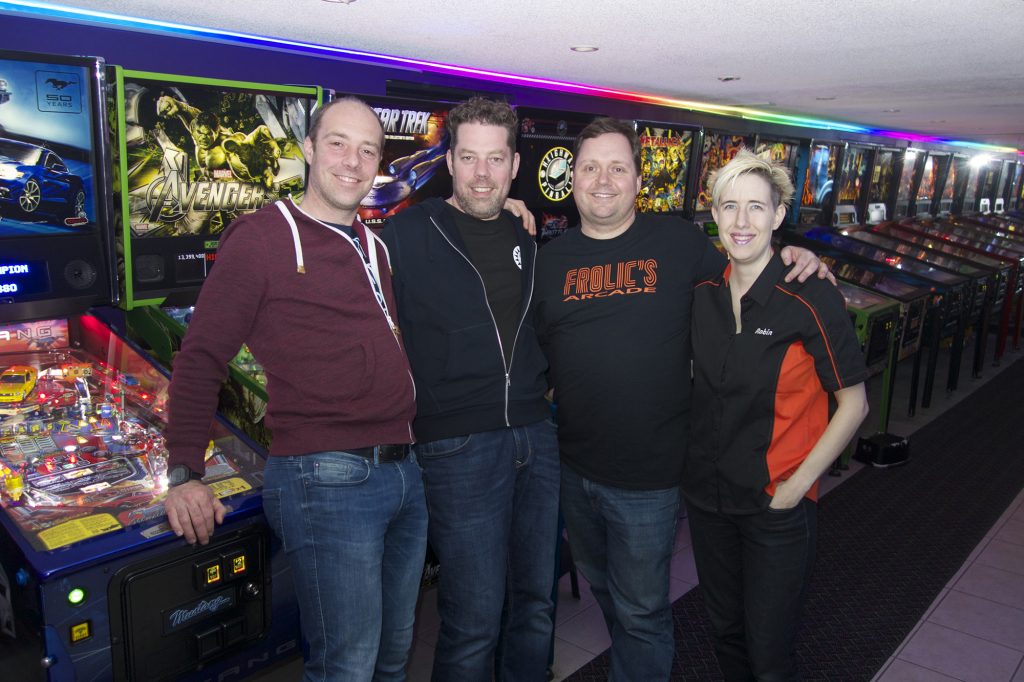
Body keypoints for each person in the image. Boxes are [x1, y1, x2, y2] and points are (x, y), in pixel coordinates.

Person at [533, 118, 830, 681]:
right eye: (590, 167)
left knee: (643, 611)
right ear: (572, 178)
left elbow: (752, 266)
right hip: (573, 468)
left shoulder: (678, 242)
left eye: (617, 167)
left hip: (652, 478)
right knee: (606, 593)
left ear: (638, 179)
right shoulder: (550, 262)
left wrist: (805, 261)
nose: (603, 180)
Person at [162, 97, 427, 682]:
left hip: (404, 472)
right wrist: (184, 472)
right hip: (326, 478)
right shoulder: (261, 238)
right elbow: (201, 356)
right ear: (307, 148)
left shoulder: (375, 246)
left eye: (368, 150)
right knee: (346, 666)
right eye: (337, 143)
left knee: (392, 653)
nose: (352, 161)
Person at [381, 97, 560, 681]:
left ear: (513, 166)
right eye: (468, 158)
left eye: (496, 159)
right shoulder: (405, 234)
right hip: (457, 445)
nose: (482, 173)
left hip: (536, 435)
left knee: (535, 604)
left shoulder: (526, 234)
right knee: (474, 621)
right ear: (449, 162)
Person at [684, 150, 869, 680]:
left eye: (756, 208)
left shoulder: (809, 296)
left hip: (777, 507)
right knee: (725, 633)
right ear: (713, 214)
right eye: (729, 207)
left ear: (779, 214)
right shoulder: (701, 291)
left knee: (769, 655)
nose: (742, 222)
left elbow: (853, 403)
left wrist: (797, 487)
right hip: (708, 501)